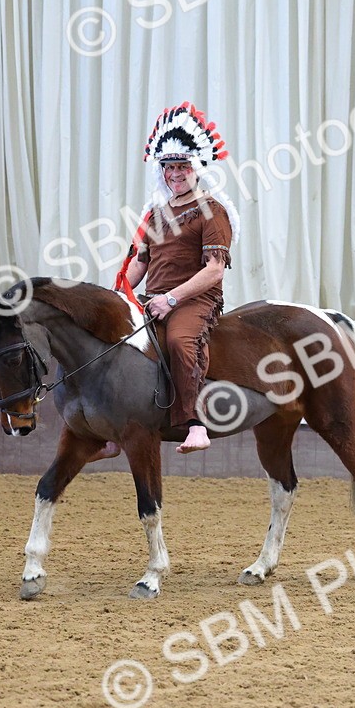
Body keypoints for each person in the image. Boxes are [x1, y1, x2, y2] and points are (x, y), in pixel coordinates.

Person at [119, 101, 239, 454]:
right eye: (169, 166)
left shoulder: (213, 211)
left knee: (179, 342)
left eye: (182, 166)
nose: (175, 173)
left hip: (195, 299)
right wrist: (119, 292)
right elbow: (140, 263)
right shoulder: (154, 213)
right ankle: (113, 427)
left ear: (196, 168)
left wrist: (171, 299)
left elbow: (214, 269)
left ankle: (195, 424)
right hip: (152, 296)